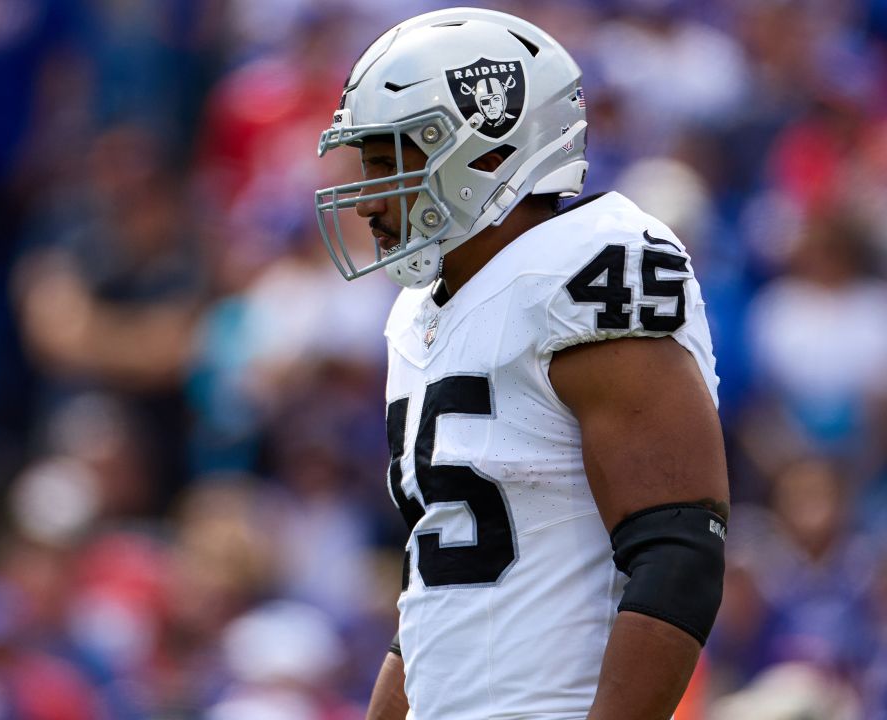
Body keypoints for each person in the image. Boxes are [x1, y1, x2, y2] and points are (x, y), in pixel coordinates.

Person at [312, 9, 730, 720]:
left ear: (489, 151)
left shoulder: (592, 264)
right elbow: (439, 596)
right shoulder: (420, 311)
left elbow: (679, 548)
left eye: (389, 163)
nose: (372, 200)